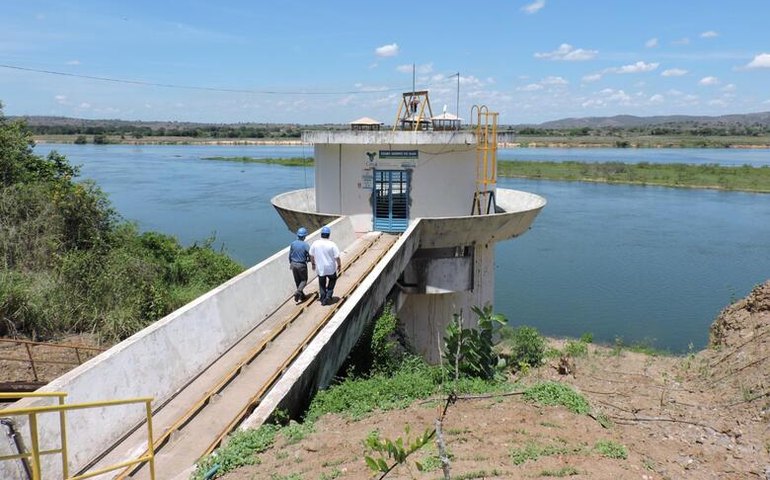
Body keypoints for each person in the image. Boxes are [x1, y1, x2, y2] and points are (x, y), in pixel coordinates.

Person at [309, 225, 341, 306]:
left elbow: (311, 255)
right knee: (332, 279)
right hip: (331, 268)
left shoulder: (315, 243)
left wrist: (313, 264)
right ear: (329, 235)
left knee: (322, 284)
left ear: (321, 234)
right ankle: (328, 295)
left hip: (320, 269)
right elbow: (337, 257)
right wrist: (339, 265)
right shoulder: (332, 244)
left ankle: (323, 299)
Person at [288, 227, 310, 303]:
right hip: (301, 265)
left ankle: (302, 297)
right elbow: (310, 254)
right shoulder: (305, 245)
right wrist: (309, 260)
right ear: (304, 236)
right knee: (304, 280)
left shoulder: (293, 243)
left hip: (293, 264)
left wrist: (291, 263)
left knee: (297, 281)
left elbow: (290, 255)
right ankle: (298, 292)